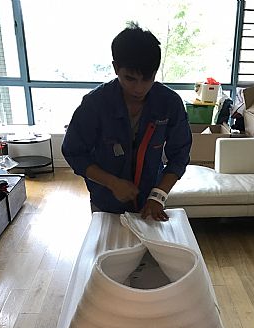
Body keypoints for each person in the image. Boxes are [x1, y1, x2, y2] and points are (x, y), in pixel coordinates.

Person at [62, 22, 192, 221]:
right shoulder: (95, 104)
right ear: (116, 68)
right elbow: (74, 152)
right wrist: (112, 183)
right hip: (105, 201)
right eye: (130, 79)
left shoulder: (169, 103)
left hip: (149, 200)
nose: (139, 89)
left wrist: (158, 196)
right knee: (109, 241)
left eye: (147, 79)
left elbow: (180, 155)